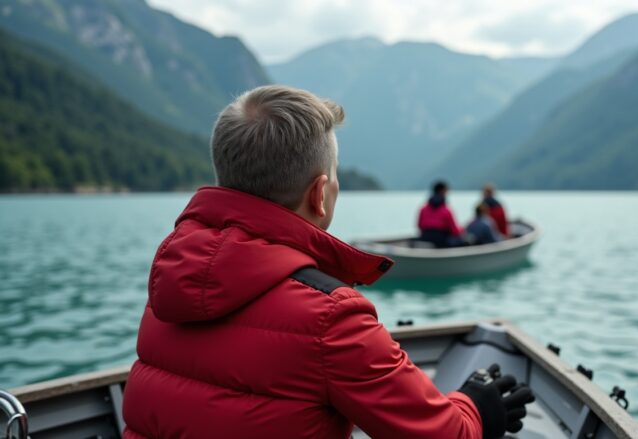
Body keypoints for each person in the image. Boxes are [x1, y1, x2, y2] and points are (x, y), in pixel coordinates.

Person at [121, 85, 533, 439]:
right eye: (335, 176)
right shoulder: (330, 318)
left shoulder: (168, 285)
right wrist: (477, 407)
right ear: (320, 193)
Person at [417, 181, 464, 248]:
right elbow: (454, 230)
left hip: (425, 239)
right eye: (446, 192)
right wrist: (462, 230)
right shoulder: (446, 210)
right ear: (442, 191)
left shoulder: (423, 209)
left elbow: (419, 226)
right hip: (442, 242)